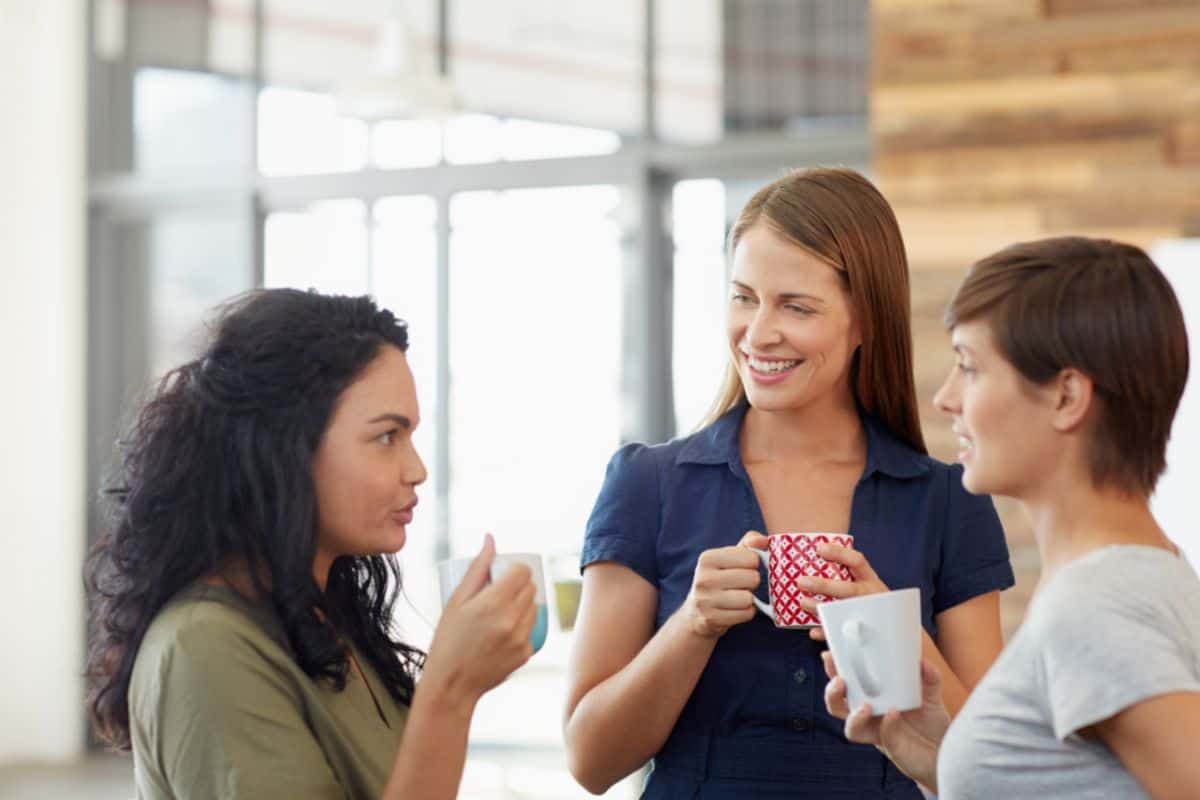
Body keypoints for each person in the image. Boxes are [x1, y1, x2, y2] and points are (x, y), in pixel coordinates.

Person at [564, 167, 1015, 798]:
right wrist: (692, 625)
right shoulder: (648, 485)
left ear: (865, 321)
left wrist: (896, 641)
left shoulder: (946, 503)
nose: (758, 332)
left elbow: (995, 770)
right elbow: (590, 761)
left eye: (796, 306)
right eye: (744, 297)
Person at [85, 289, 537, 799]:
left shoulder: (325, 619)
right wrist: (451, 690)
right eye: (387, 437)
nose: (417, 470)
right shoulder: (203, 645)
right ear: (287, 450)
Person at [823, 236, 1200, 797]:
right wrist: (945, 760)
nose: (946, 399)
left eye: (969, 367)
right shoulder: (1147, 573)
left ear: (1067, 396)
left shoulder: (1094, 609)